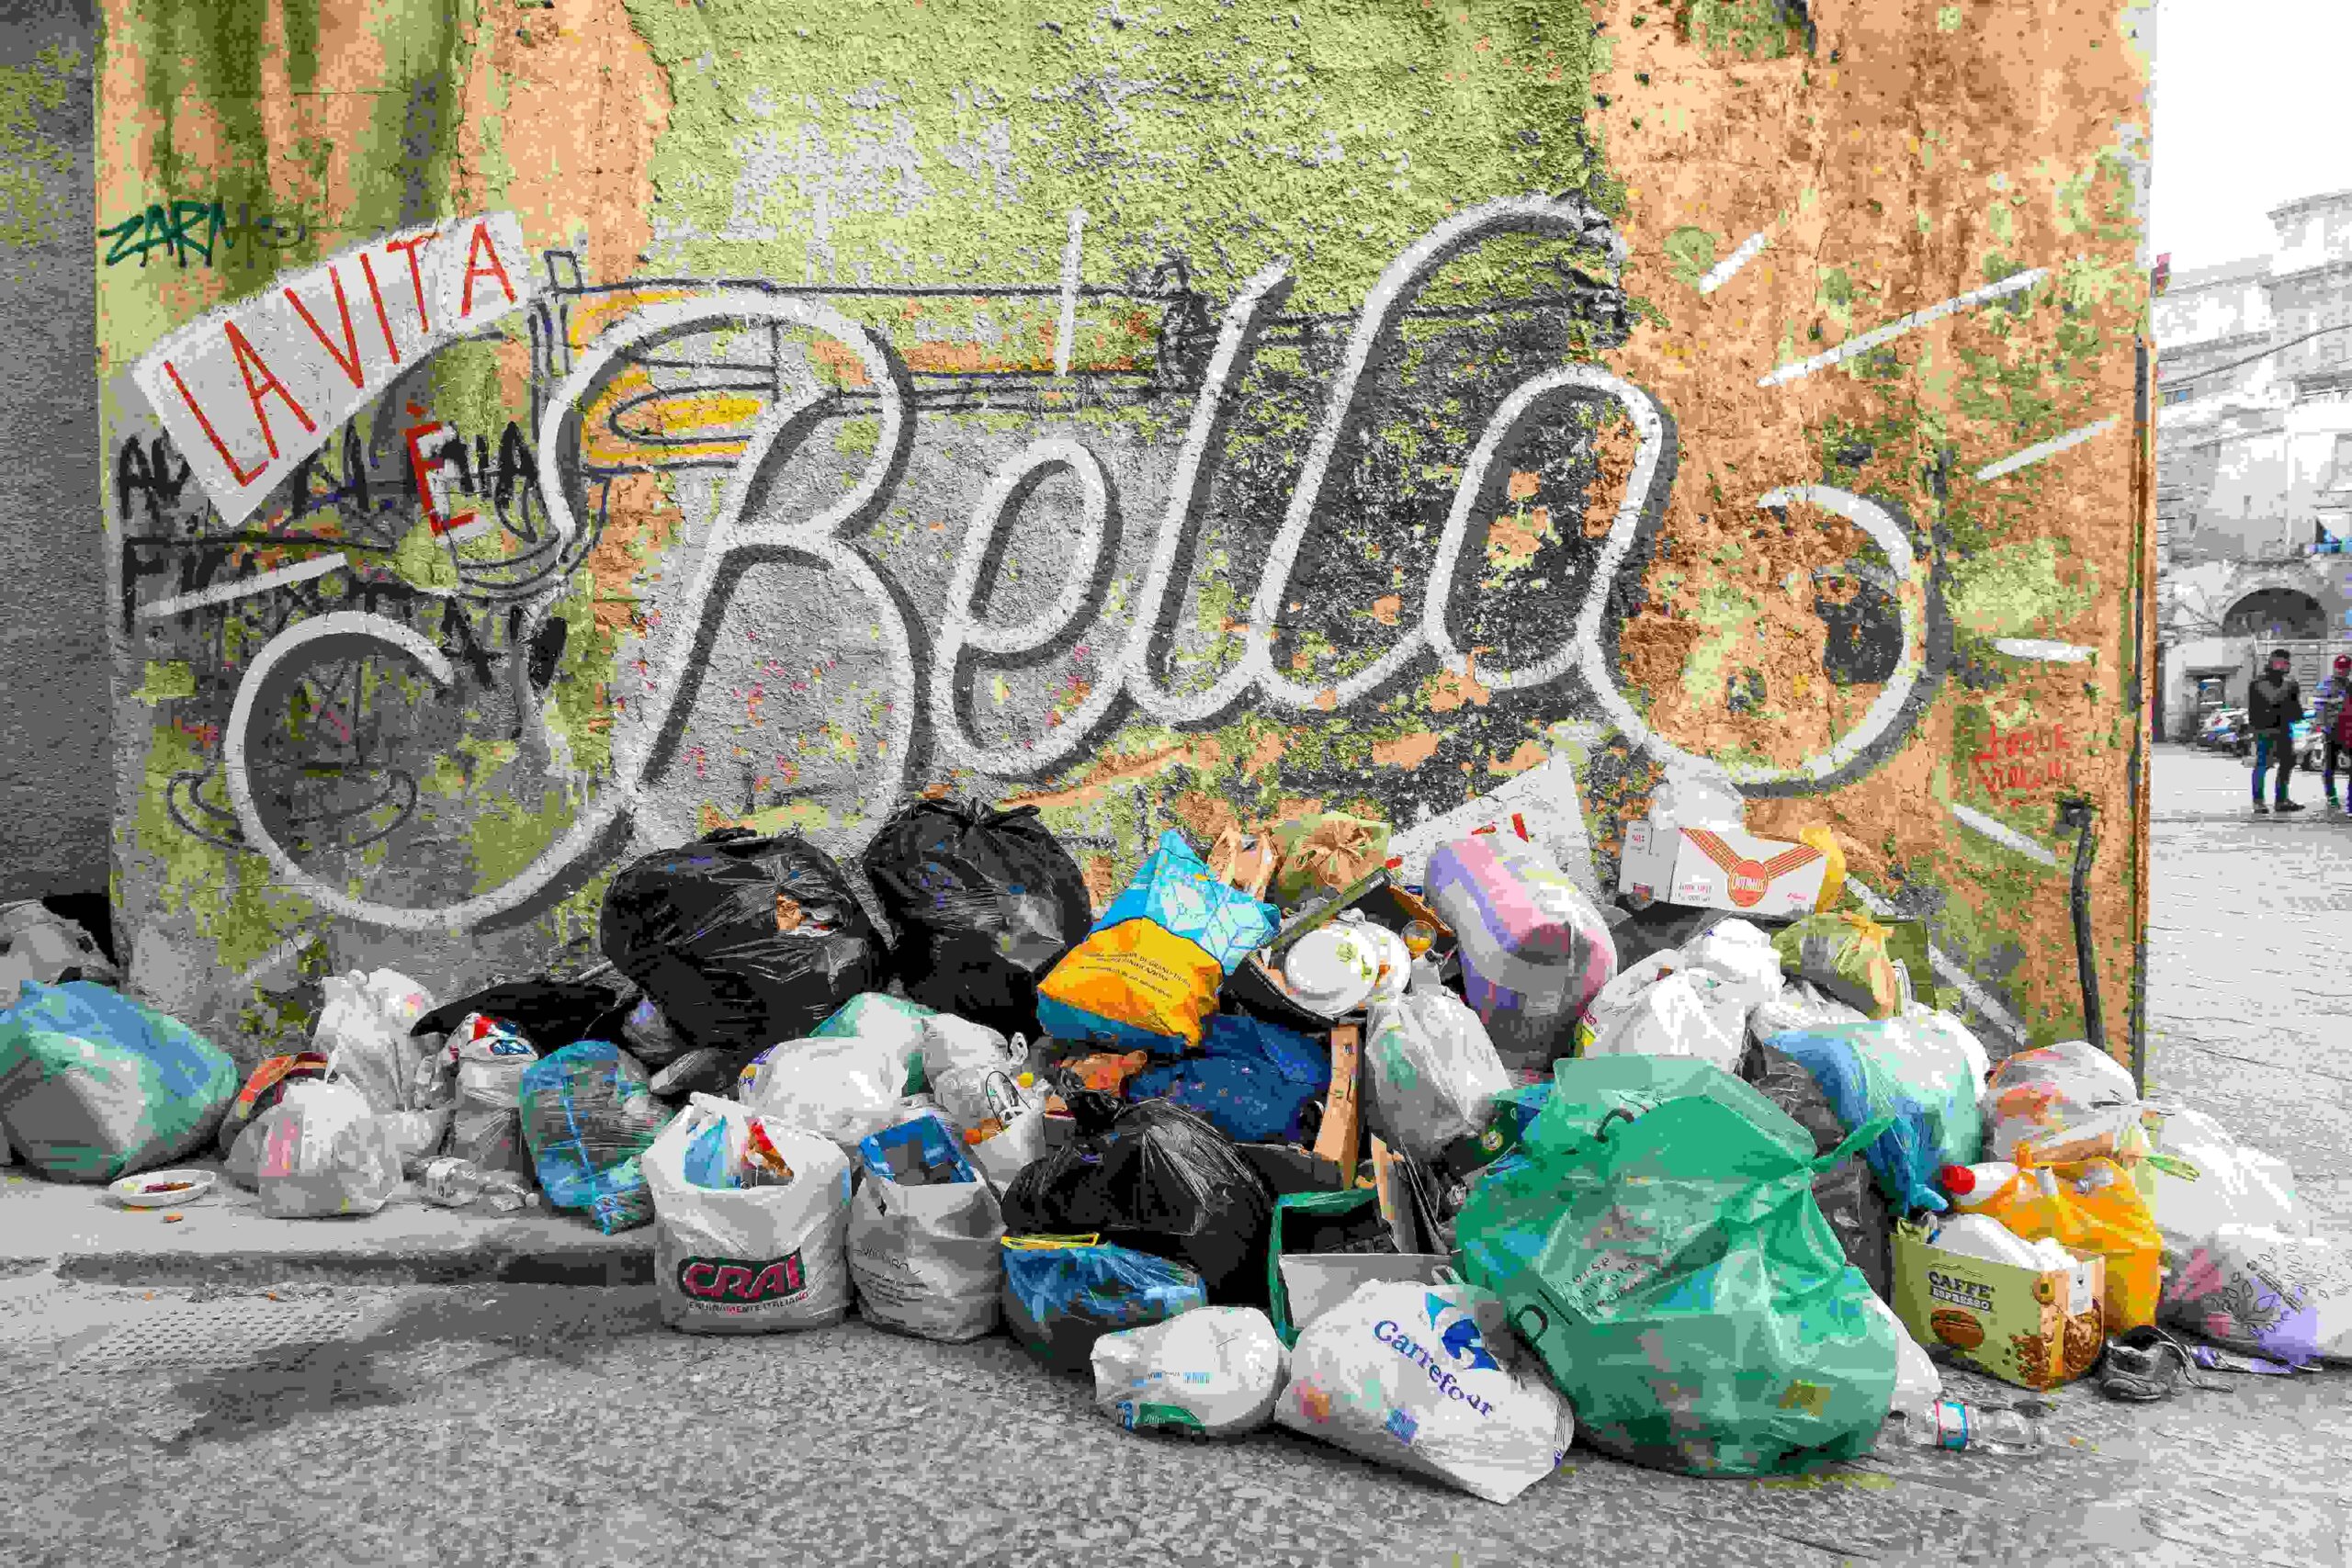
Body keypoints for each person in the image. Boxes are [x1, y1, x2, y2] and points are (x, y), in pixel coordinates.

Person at [2247, 648, 2306, 816]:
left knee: (2287, 763)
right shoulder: (2259, 683)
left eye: (2288, 663)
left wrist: (2297, 716)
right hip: (2265, 729)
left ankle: (2282, 799)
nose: (2287, 665)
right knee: (2262, 765)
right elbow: (2264, 703)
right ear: (2274, 662)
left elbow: (2296, 708)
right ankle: (2258, 802)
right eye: (2284, 662)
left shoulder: (2289, 683)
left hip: (2284, 728)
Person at [2318, 654, 2352, 815]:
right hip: (2331, 730)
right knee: (2330, 765)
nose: (2342, 671)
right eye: (2340, 667)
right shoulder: (2326, 684)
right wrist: (2323, 725)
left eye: (2345, 668)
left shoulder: (2349, 685)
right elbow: (2317, 703)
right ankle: (2331, 795)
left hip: (2347, 731)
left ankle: (2349, 799)